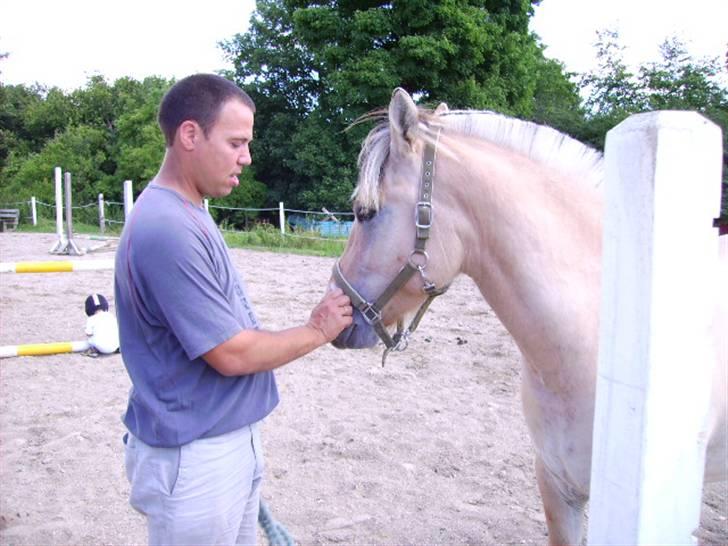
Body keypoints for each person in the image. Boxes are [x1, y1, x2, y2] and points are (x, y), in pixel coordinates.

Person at [114, 73, 352, 546]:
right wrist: (317, 329)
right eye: (236, 142)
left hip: (218, 443)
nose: (246, 156)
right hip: (197, 458)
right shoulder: (169, 228)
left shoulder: (189, 212)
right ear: (189, 135)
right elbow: (231, 354)